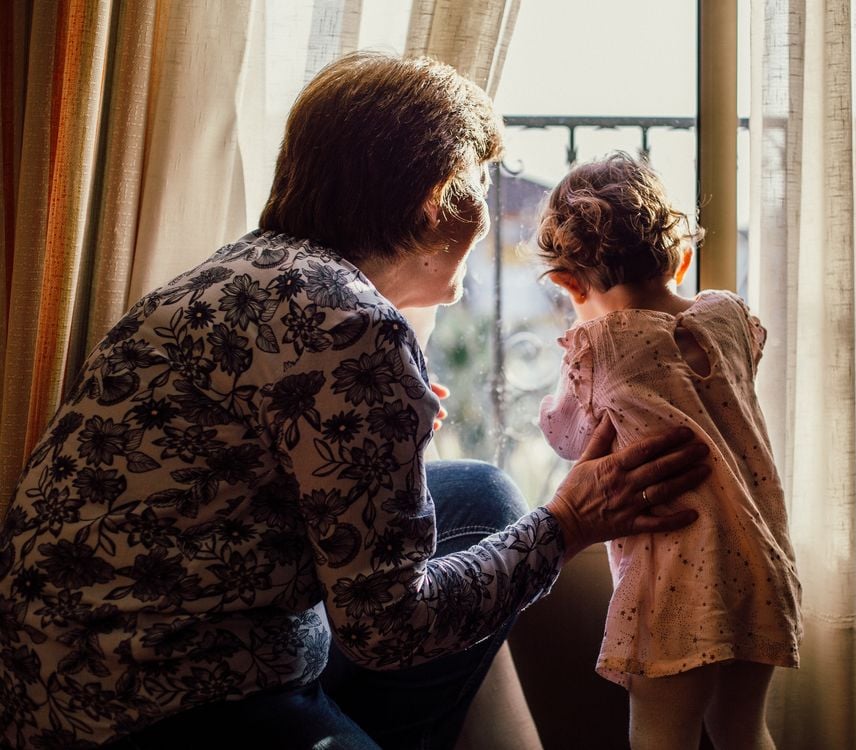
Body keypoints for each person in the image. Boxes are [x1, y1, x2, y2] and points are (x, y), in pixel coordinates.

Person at [0, 56, 711, 749]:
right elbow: (388, 627)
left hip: (51, 673)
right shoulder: (356, 328)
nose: (489, 213)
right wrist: (570, 522)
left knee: (480, 496)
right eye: (481, 183)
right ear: (439, 199)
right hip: (166, 707)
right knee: (503, 532)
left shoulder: (236, 270)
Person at [535, 152, 802, 750]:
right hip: (758, 558)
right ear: (681, 258)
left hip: (676, 581)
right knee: (741, 729)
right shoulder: (727, 315)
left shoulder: (599, 344)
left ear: (567, 283)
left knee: (661, 736)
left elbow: (571, 438)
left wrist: (568, 379)